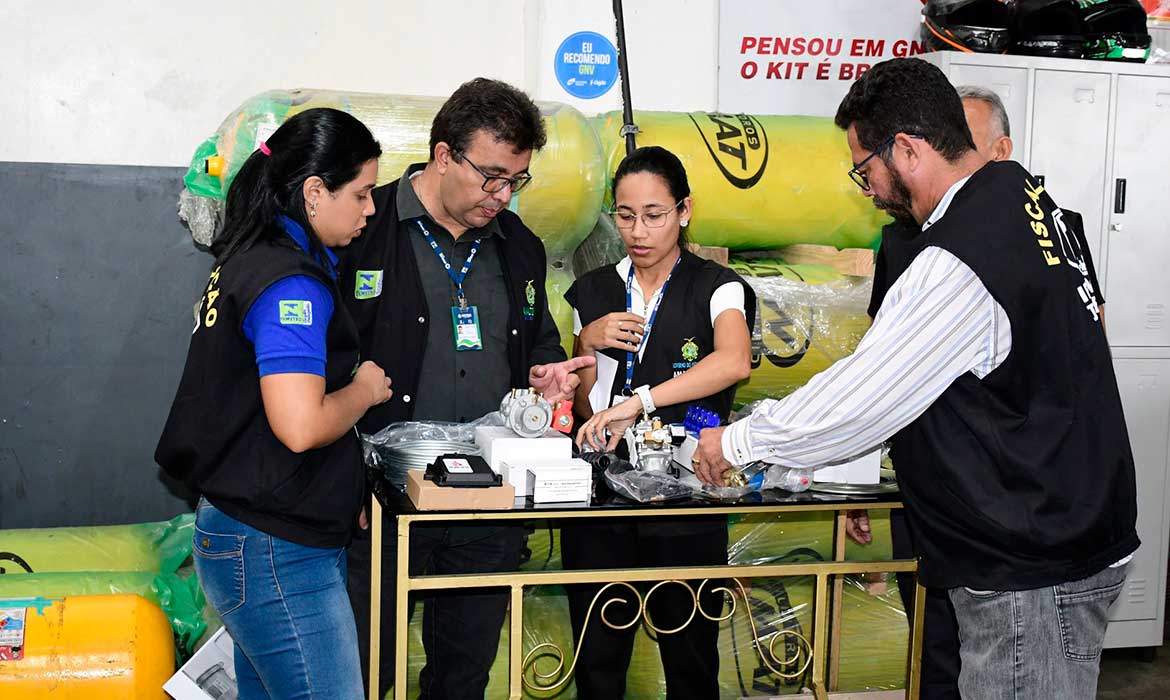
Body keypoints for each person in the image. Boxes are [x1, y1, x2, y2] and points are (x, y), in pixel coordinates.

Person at [695, 57, 1138, 700]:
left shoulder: (962, 254)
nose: (868, 188)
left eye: (865, 169)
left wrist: (738, 443)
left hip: (1032, 559)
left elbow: (865, 395)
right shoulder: (1026, 201)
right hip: (1070, 524)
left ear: (906, 148)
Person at [339, 77, 593, 700]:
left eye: (517, 180)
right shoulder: (364, 230)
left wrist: (547, 376)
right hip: (380, 503)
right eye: (491, 176)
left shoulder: (520, 247)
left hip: (487, 499)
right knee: (365, 669)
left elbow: (537, 346)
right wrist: (341, 480)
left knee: (463, 674)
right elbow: (321, 366)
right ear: (444, 154)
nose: (502, 195)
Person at [854, 83, 1110, 700]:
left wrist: (751, 441)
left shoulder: (997, 238)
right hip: (974, 510)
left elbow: (874, 384)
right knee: (946, 661)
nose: (865, 187)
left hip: (1021, 527)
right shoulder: (918, 233)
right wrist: (859, 465)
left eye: (865, 169)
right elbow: (882, 363)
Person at [155, 108, 391, 700]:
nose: (369, 210)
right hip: (274, 554)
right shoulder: (290, 284)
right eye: (361, 194)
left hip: (261, 535)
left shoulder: (249, 260)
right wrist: (364, 389)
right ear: (315, 192)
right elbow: (299, 424)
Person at [564, 145, 755, 700]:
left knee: (691, 655)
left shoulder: (717, 286)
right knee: (597, 657)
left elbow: (733, 361)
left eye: (655, 214)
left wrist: (638, 402)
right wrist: (584, 343)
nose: (638, 230)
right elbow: (580, 404)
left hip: (686, 491)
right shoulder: (593, 290)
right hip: (601, 494)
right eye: (625, 216)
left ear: (685, 210)